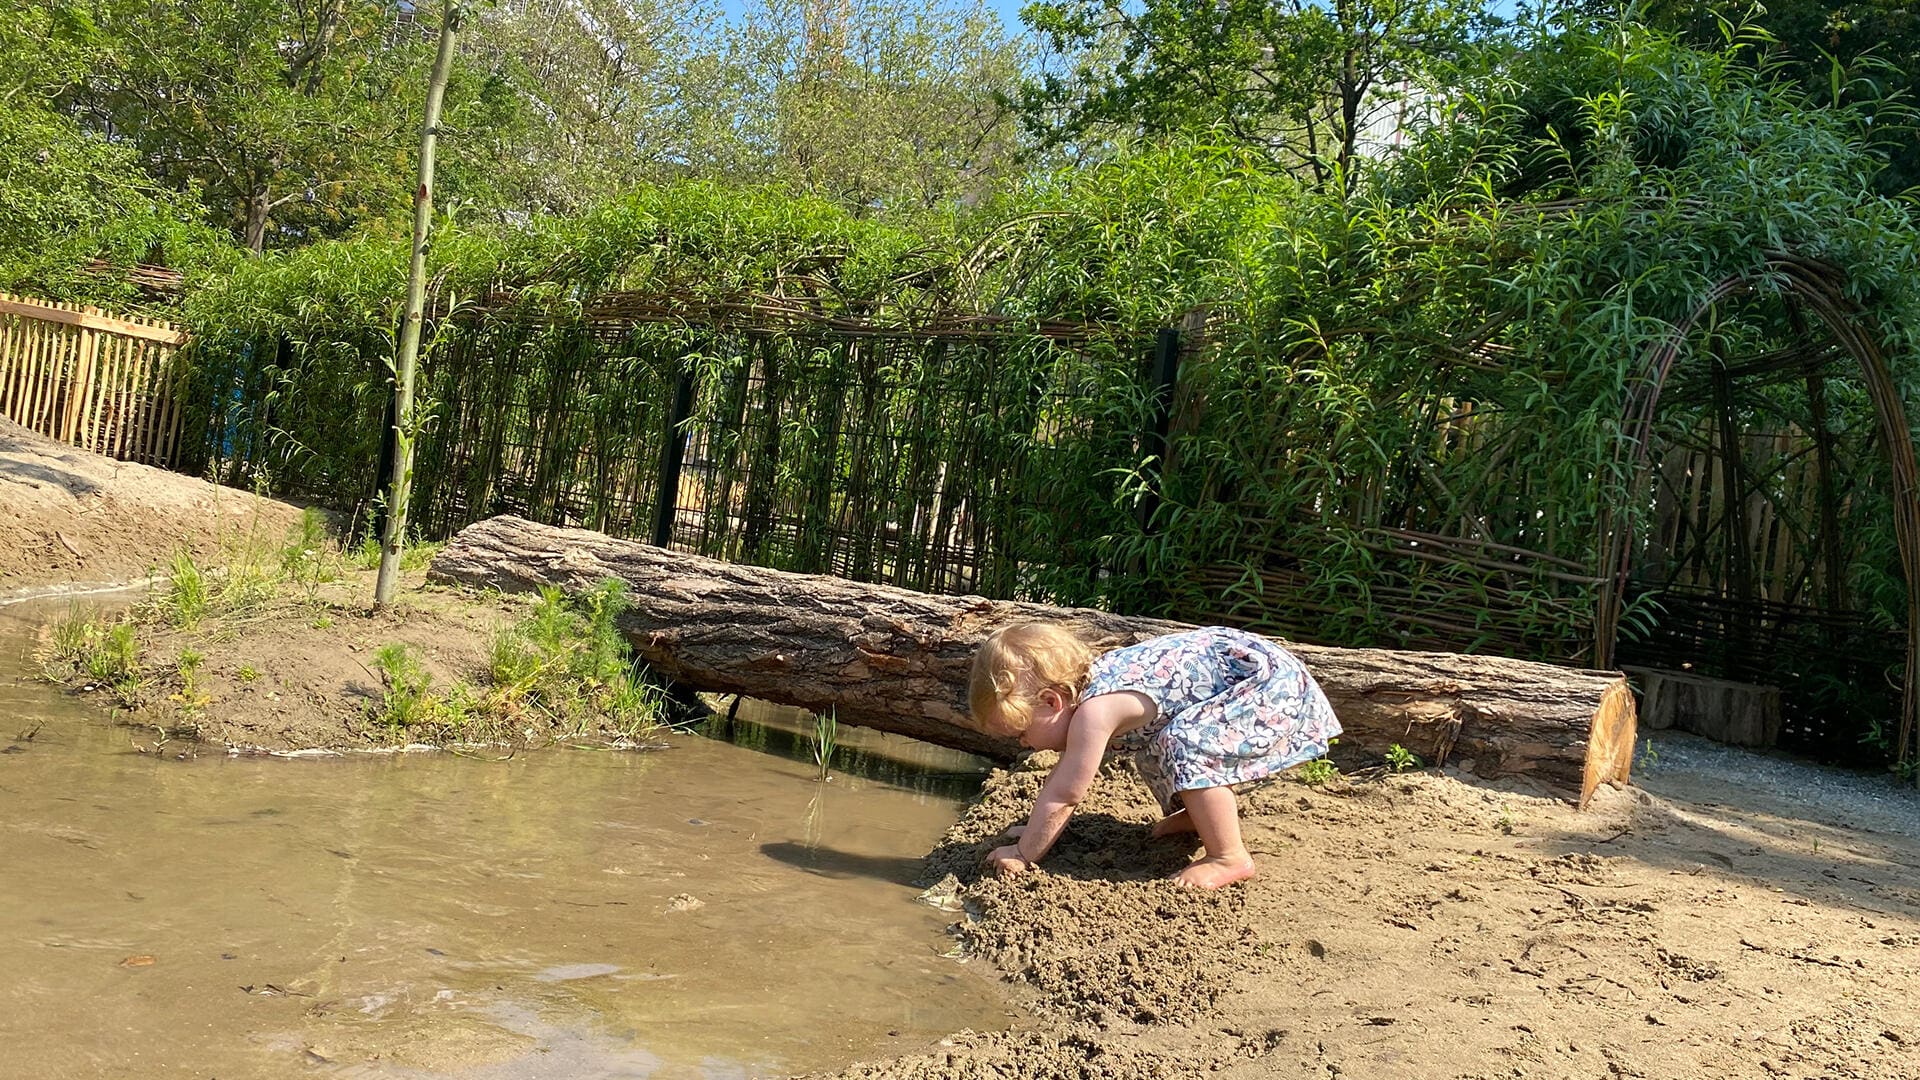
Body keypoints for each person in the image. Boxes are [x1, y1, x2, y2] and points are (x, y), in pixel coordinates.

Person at [968, 622, 1341, 889]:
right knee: (1155, 743)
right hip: (1239, 674)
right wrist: (1038, 830)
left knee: (1185, 742)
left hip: (1264, 685)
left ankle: (1228, 856)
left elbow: (1066, 794)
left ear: (1052, 701)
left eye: (1021, 732)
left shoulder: (1095, 713)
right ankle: (1198, 815)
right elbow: (1065, 778)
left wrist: (1024, 853)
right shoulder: (1090, 696)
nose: (1022, 743)